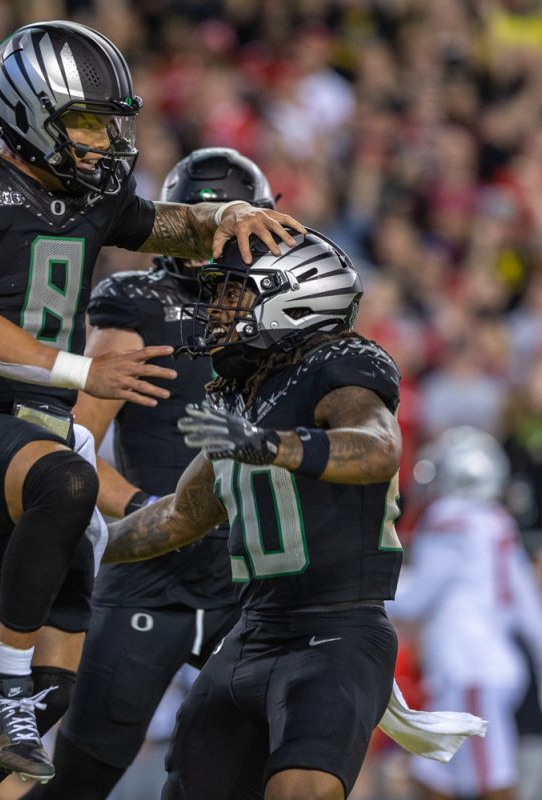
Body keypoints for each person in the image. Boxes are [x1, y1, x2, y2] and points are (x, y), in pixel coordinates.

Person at [0, 20, 303, 799]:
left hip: (30, 451)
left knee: (57, 691)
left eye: (114, 119)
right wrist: (86, 368)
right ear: (27, 110)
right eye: (88, 121)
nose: (107, 139)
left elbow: (166, 226)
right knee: (68, 484)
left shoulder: (96, 195)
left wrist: (226, 221)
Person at [101, 230, 405, 800]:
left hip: (335, 633)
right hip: (251, 635)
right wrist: (87, 544)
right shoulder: (240, 392)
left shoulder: (338, 363)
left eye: (231, 294)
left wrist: (275, 446)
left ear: (293, 296)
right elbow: (180, 516)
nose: (216, 309)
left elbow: (377, 446)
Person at [23, 147, 274, 800]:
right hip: (153, 572)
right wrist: (154, 509)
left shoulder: (285, 313)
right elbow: (74, 439)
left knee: (246, 768)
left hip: (247, 576)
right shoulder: (144, 304)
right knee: (83, 773)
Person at [388, 427, 542, 800]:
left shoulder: (451, 518)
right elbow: (527, 602)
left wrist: (363, 595)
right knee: (432, 775)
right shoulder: (496, 522)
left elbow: (420, 596)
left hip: (469, 667)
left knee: (491, 781)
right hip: (484, 665)